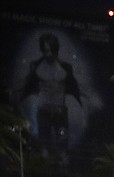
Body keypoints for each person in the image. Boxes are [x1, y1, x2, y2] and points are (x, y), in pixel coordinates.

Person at [20, 32, 84, 164]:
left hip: (60, 111)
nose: (46, 53)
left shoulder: (66, 68)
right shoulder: (36, 66)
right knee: (44, 146)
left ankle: (64, 173)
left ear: (55, 50)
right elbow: (26, 84)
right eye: (44, 50)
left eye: (49, 50)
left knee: (62, 146)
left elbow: (75, 87)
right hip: (44, 110)